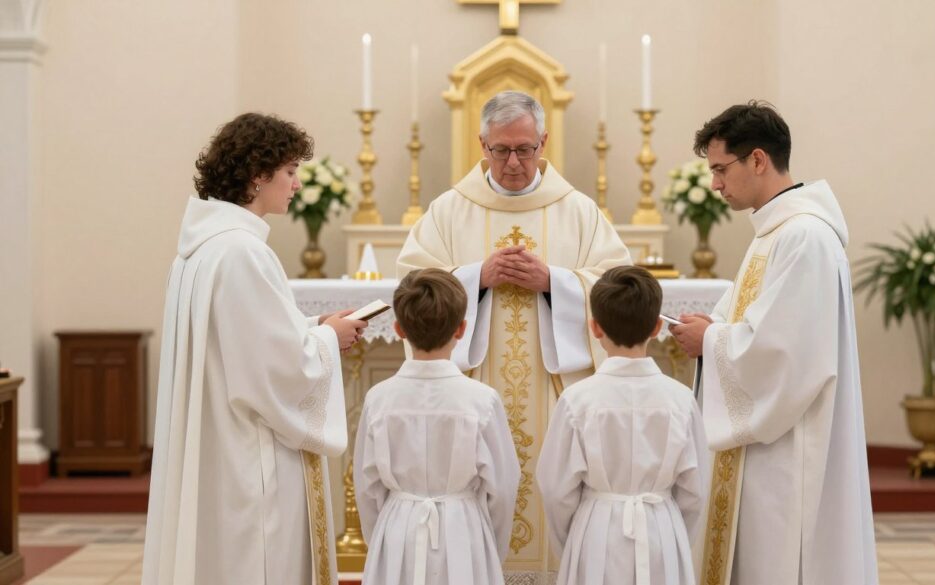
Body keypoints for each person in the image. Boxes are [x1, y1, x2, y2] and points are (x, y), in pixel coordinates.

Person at [397, 91, 631, 565]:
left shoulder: (578, 211)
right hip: (472, 388)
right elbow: (413, 284)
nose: (512, 163)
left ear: (543, 142)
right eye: (500, 150)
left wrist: (556, 283)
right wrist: (474, 279)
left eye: (524, 149)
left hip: (554, 393)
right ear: (481, 144)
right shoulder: (449, 210)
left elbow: (617, 287)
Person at [142, 113, 367, 585]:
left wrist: (314, 326)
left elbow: (243, 340)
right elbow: (278, 368)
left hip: (218, 446)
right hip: (248, 456)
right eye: (290, 171)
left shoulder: (200, 249)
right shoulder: (242, 251)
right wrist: (330, 339)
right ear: (258, 174)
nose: (296, 184)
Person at [669, 101, 877, 585]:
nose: (715, 184)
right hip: (765, 445)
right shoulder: (774, 232)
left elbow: (787, 355)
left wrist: (711, 339)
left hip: (787, 451)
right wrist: (714, 328)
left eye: (721, 169)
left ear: (758, 160)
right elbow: (760, 325)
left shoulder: (804, 237)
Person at [537, 266, 709, 585]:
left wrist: (574, 540)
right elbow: (694, 492)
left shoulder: (577, 400)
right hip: (662, 529)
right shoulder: (682, 400)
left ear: (595, 328)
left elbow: (555, 489)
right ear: (657, 326)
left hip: (595, 531)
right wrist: (672, 531)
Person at [354, 268, 520, 585]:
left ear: (398, 329)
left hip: (398, 529)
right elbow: (503, 486)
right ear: (461, 329)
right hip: (464, 529)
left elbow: (367, 486)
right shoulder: (482, 400)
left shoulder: (379, 398)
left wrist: (382, 539)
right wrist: (489, 547)